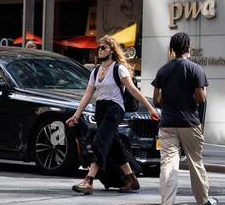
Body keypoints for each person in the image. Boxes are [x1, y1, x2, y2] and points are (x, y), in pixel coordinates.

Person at [67, 36, 158, 195]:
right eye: (99, 48)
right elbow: (87, 95)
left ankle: (88, 180)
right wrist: (76, 115)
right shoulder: (95, 71)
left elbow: (133, 90)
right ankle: (131, 178)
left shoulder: (119, 68)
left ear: (111, 50)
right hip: (100, 109)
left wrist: (150, 108)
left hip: (114, 109)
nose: (100, 50)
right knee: (114, 145)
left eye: (103, 47)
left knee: (99, 141)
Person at [152, 31, 215, 205]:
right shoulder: (195, 69)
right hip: (189, 123)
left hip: (168, 124)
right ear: (188, 47)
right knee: (195, 162)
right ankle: (203, 204)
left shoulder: (163, 70)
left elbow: (156, 99)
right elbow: (201, 99)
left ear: (172, 49)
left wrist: (169, 104)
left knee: (169, 164)